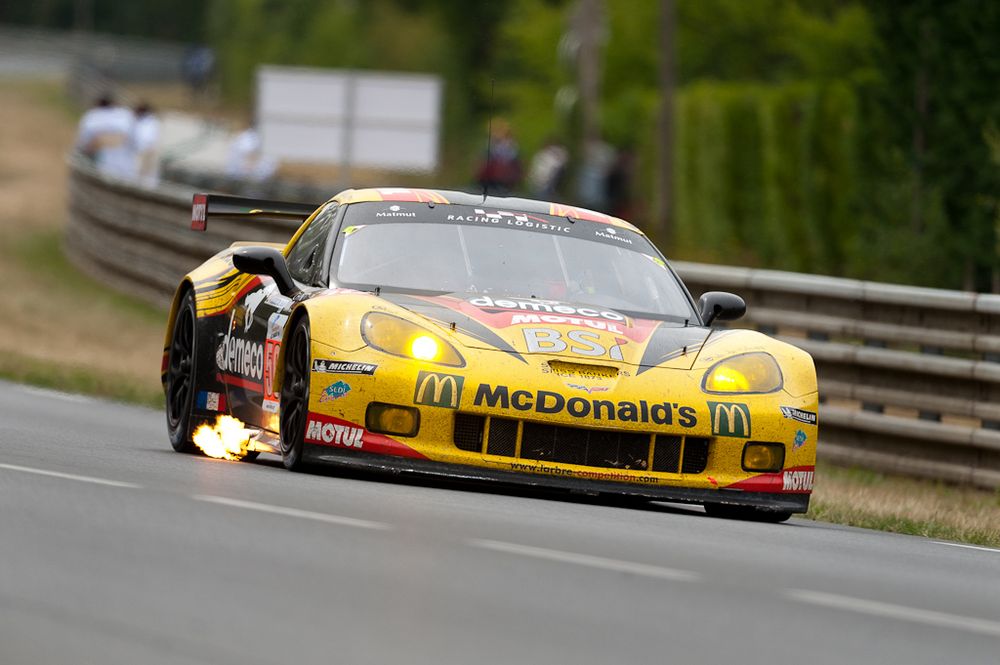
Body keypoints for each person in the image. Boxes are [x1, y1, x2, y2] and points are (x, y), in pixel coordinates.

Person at [74, 93, 135, 179]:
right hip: (127, 167)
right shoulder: (125, 115)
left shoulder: (91, 116)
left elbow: (82, 142)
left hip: (100, 167)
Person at [476, 118, 522, 196]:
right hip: (490, 179)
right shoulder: (490, 145)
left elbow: (514, 162)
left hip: (505, 179)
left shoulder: (511, 147)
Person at [131, 102, 161, 187]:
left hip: (147, 151)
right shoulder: (139, 121)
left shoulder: (150, 122)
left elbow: (147, 139)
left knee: (147, 177)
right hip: (142, 150)